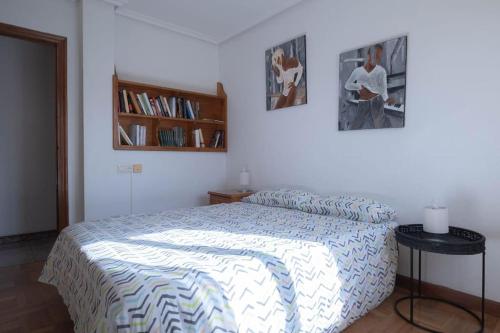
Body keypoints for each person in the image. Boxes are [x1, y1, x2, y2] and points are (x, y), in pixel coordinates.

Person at [344, 44, 395, 129]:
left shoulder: (381, 71)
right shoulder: (358, 71)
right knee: (356, 127)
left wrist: (386, 99)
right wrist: (359, 86)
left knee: (380, 127)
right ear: (368, 54)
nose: (377, 59)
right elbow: (347, 85)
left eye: (379, 57)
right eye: (375, 55)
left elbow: (383, 90)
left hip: (377, 102)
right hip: (363, 103)